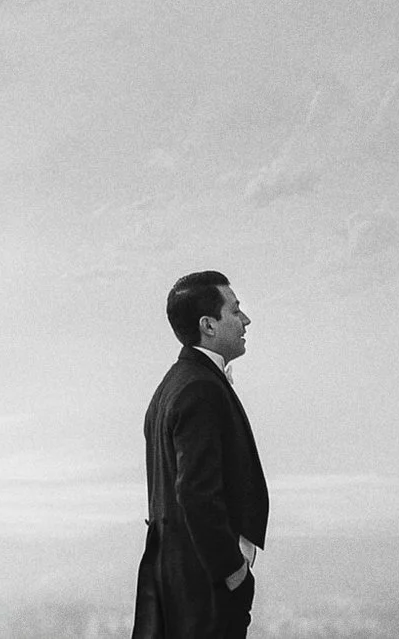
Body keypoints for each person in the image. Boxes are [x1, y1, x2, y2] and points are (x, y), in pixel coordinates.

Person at [132, 271, 269, 639]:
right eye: (235, 311)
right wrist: (233, 572)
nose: (245, 320)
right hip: (205, 590)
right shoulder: (200, 388)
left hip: (181, 584)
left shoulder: (173, 385)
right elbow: (195, 493)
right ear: (208, 325)